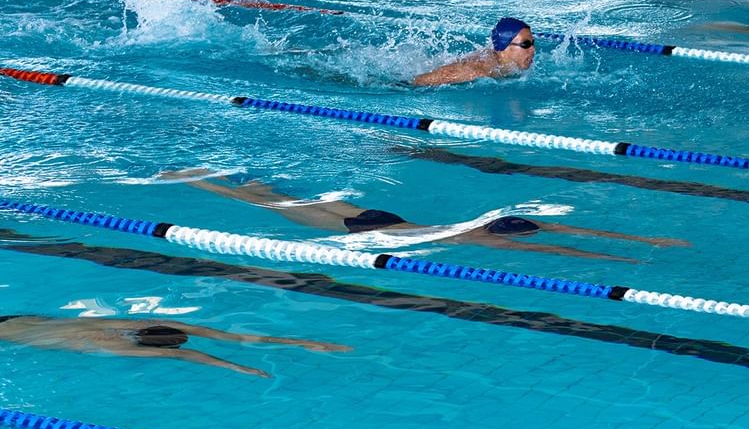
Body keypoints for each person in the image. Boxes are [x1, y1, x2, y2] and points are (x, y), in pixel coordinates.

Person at [163, 170, 688, 263]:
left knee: (275, 197)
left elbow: (567, 234)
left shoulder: (498, 221)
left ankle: (218, 173)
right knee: (266, 205)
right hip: (378, 230)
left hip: (382, 215)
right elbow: (562, 246)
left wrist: (641, 241)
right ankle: (196, 180)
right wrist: (617, 249)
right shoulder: (492, 241)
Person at [0, 315, 350, 378]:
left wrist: (302, 341)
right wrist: (236, 368)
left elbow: (222, 338)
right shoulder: (109, 346)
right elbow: (177, 353)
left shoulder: (133, 324)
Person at [412, 17, 537, 87]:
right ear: (504, 46)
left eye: (533, 43)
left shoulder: (507, 67)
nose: (533, 50)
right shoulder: (477, 71)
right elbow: (419, 81)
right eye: (525, 44)